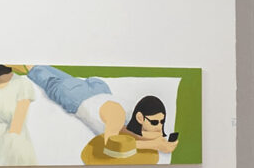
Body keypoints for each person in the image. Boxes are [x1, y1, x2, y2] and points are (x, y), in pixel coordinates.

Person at [26, 64, 179, 158]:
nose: (159, 126)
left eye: (161, 121)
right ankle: (24, 65)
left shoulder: (135, 113)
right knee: (41, 75)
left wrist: (155, 139)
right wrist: (154, 145)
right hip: (77, 96)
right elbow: (112, 144)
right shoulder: (116, 114)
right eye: (154, 122)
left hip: (100, 89)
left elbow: (128, 133)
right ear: (140, 117)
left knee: (59, 75)